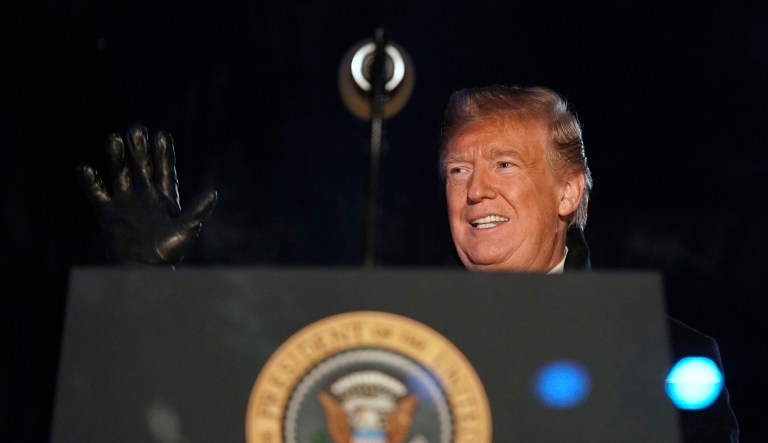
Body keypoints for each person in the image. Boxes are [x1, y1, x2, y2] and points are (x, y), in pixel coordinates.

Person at [77, 85, 739, 442]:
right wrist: (146, 295)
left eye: (504, 164)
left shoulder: (662, 356)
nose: (475, 189)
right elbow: (219, 412)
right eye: (458, 169)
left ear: (568, 191)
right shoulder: (384, 345)